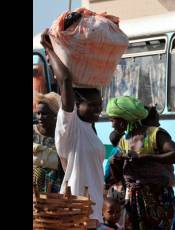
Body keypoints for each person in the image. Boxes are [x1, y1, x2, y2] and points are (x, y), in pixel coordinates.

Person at [40, 29, 106, 224]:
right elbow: (66, 80)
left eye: (99, 105)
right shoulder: (69, 127)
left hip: (93, 211)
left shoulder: (90, 129)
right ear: (76, 104)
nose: (98, 111)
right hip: (75, 212)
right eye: (92, 106)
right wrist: (49, 48)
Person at [105, 96, 175, 229]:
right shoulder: (124, 141)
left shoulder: (155, 134)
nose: (112, 125)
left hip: (158, 197)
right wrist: (115, 162)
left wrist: (147, 157)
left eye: (113, 120)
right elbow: (117, 178)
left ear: (124, 119)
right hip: (135, 200)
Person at [33, 92, 64, 193]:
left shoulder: (61, 136)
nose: (40, 117)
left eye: (44, 114)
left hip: (56, 188)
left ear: (55, 115)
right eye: (38, 113)